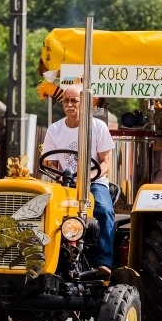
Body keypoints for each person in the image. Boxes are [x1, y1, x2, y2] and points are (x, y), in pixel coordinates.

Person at [42, 85, 115, 277]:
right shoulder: (54, 130)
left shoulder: (98, 127)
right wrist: (61, 177)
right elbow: (51, 164)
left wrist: (88, 178)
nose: (70, 104)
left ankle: (103, 261)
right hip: (65, 182)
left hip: (95, 181)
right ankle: (45, 257)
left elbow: (106, 163)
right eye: (66, 101)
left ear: (85, 104)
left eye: (74, 100)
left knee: (103, 210)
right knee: (43, 210)